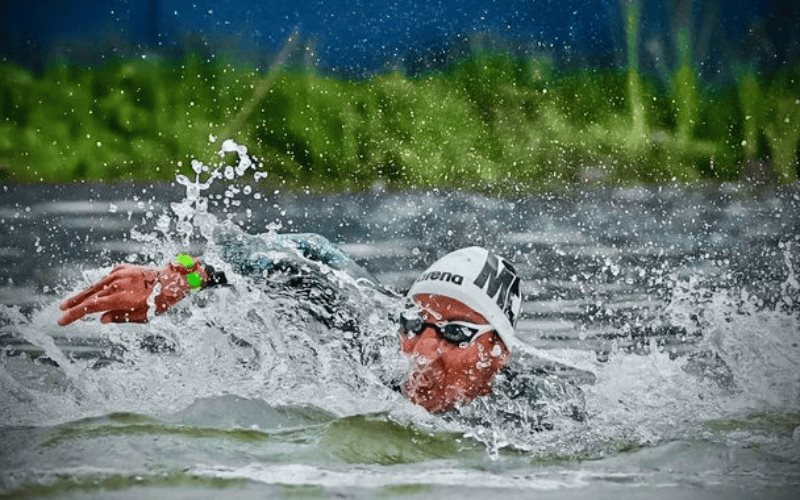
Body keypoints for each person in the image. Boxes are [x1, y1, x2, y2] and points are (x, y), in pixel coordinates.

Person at [57, 223, 583, 418]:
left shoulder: (545, 412)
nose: (421, 350)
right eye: (414, 323)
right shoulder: (374, 347)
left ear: (497, 350)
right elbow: (309, 254)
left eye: (454, 334)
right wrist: (186, 277)